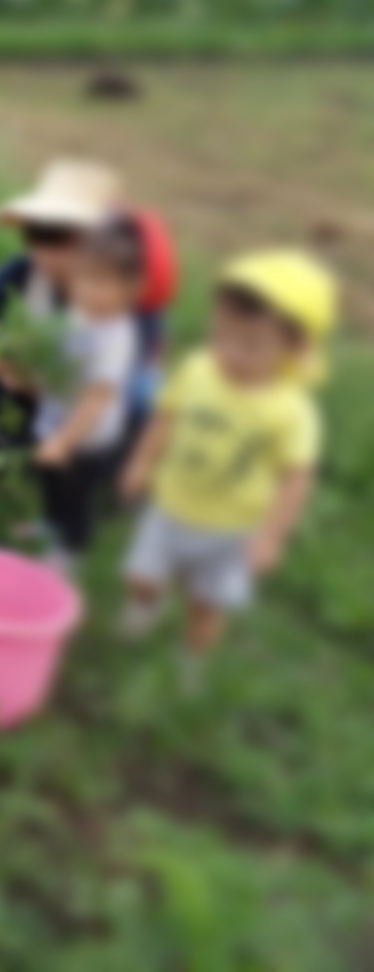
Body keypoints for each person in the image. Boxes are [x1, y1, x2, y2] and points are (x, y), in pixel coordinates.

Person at [120, 250, 334, 677]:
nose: (230, 352)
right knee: (142, 578)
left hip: (232, 529)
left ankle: (191, 663)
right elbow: (167, 416)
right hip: (170, 506)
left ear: (293, 346)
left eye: (251, 344)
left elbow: (296, 477)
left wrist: (271, 537)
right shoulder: (200, 369)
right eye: (221, 335)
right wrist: (141, 463)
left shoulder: (290, 411)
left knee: (208, 604)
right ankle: (148, 606)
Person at [0, 160, 176, 445]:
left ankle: (96, 463)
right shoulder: (27, 270)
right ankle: (17, 433)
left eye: (60, 236)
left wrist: (42, 384)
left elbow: (119, 382)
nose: (44, 250)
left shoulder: (125, 293)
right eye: (37, 234)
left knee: (143, 398)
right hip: (46, 382)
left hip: (99, 402)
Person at [29, 219, 144, 570]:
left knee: (74, 494)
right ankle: (51, 525)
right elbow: (57, 360)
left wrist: (65, 441)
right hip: (54, 421)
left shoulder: (117, 337)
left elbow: (97, 398)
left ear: (130, 289)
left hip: (86, 439)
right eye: (83, 279)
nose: (89, 290)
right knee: (50, 483)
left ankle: (70, 550)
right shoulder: (77, 315)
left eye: (102, 282)